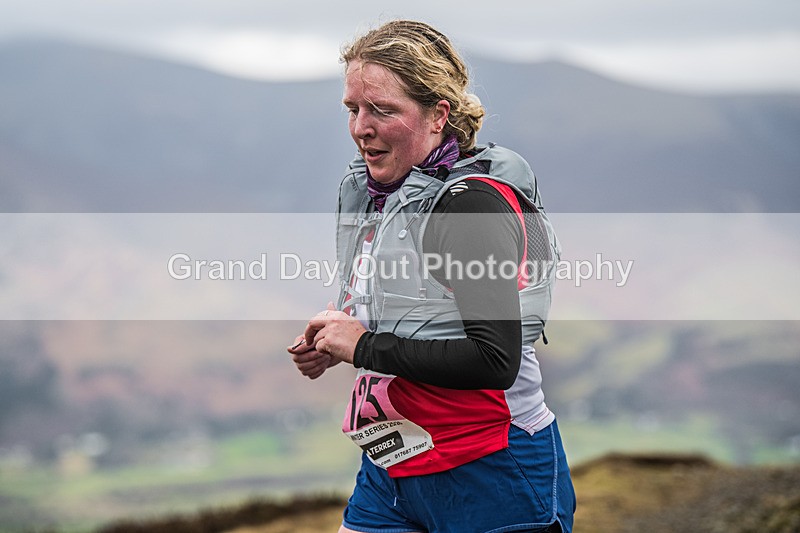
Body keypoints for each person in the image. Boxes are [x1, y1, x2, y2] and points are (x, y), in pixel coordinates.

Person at [288, 20, 575, 533]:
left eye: (382, 109)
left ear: (439, 114)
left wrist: (363, 347)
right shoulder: (388, 197)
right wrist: (338, 334)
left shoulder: (469, 208)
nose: (361, 128)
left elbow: (495, 360)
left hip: (491, 468)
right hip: (391, 468)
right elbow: (414, 317)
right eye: (353, 109)